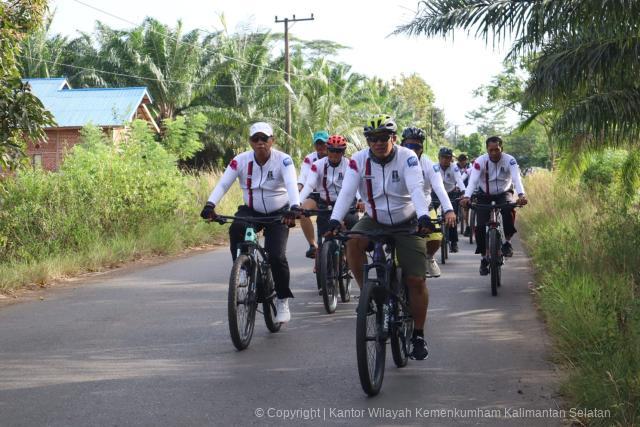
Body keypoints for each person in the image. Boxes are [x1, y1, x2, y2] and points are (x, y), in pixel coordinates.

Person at [327, 114, 433, 360]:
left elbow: (417, 188)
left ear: (393, 138)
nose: (378, 142)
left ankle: (418, 334)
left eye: (383, 137)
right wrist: (334, 219)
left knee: (416, 280)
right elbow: (346, 193)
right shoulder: (358, 160)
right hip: (375, 218)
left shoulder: (407, 157)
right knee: (352, 241)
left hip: (407, 219)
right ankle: (369, 297)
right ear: (367, 141)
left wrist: (424, 216)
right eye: (372, 138)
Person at [200, 122, 300, 323]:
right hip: (251, 211)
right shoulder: (240, 161)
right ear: (250, 142)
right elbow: (223, 183)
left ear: (272, 141)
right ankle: (243, 270)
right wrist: (210, 204)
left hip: (278, 212)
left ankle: (282, 300)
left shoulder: (284, 160)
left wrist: (295, 207)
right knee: (236, 227)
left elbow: (290, 184)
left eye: (265, 139)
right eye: (256, 139)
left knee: (276, 256)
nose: (260, 143)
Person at [460, 136, 528, 275]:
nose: (494, 153)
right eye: (490, 150)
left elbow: (516, 178)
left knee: (509, 210)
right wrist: (467, 196)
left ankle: (507, 242)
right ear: (487, 150)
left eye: (496, 150)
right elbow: (472, 181)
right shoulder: (480, 161)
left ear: (501, 148)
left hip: (504, 192)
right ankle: (484, 258)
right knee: (479, 226)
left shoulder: (510, 160)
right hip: (484, 193)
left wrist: (521, 195)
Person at [400, 127, 456, 278]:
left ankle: (429, 257)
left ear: (422, 148)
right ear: (402, 144)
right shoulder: (394, 160)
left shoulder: (430, 165)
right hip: (400, 207)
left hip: (425, 205)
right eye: (409, 146)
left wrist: (449, 210)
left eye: (417, 146)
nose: (413, 150)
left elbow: (439, 187)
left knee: (436, 237)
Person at [298, 134, 360, 262]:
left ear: (343, 151)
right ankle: (317, 251)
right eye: (332, 150)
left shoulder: (350, 165)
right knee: (325, 234)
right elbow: (309, 185)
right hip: (325, 202)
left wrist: (360, 200)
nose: (335, 154)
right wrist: (297, 202)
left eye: (338, 151)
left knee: (351, 235)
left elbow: (357, 186)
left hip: (347, 204)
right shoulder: (317, 165)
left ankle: (348, 257)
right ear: (327, 150)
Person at [435, 147, 466, 253]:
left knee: (452, 218)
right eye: (443, 157)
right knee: (431, 215)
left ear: (451, 159)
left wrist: (463, 192)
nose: (445, 160)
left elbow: (459, 180)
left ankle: (454, 243)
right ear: (439, 158)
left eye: (448, 158)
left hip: (451, 193)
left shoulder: (454, 168)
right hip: (436, 193)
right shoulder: (434, 167)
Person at [456, 153, 472, 236]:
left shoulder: (470, 167)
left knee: (466, 207)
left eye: (464, 160)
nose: (463, 162)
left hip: (468, 187)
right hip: (457, 187)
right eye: (461, 161)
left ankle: (467, 225)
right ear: (459, 161)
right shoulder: (455, 167)